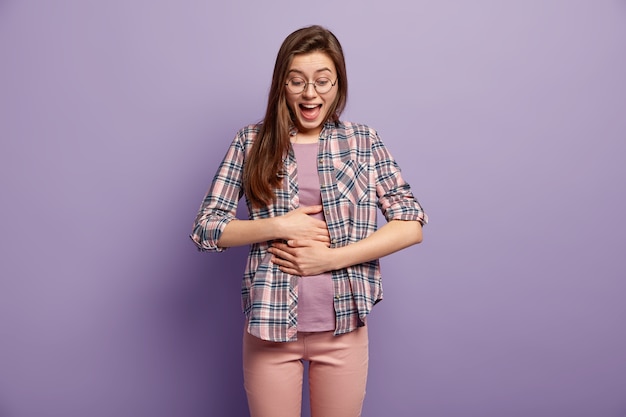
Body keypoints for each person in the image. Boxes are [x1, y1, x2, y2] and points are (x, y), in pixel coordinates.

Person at [190, 25, 428, 417]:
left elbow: (411, 223)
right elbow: (205, 228)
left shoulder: (364, 141)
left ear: (338, 84)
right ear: (282, 84)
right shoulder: (250, 141)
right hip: (269, 328)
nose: (310, 93)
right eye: (297, 81)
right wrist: (280, 225)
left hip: (343, 331)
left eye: (322, 81)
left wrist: (331, 259)